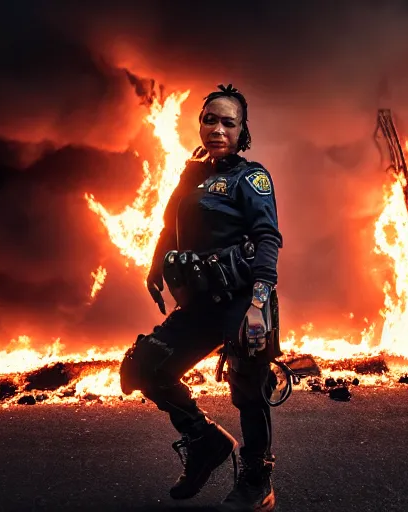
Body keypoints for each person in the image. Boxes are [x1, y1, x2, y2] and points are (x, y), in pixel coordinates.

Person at [120, 84, 283, 511]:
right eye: (210, 119)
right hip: (198, 306)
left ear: (242, 131)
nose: (217, 128)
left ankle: (257, 479)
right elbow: (169, 222)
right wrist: (157, 266)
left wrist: (257, 306)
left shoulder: (251, 178)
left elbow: (267, 239)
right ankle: (204, 440)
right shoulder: (192, 175)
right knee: (146, 367)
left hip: (241, 301)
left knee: (248, 384)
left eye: (228, 122)